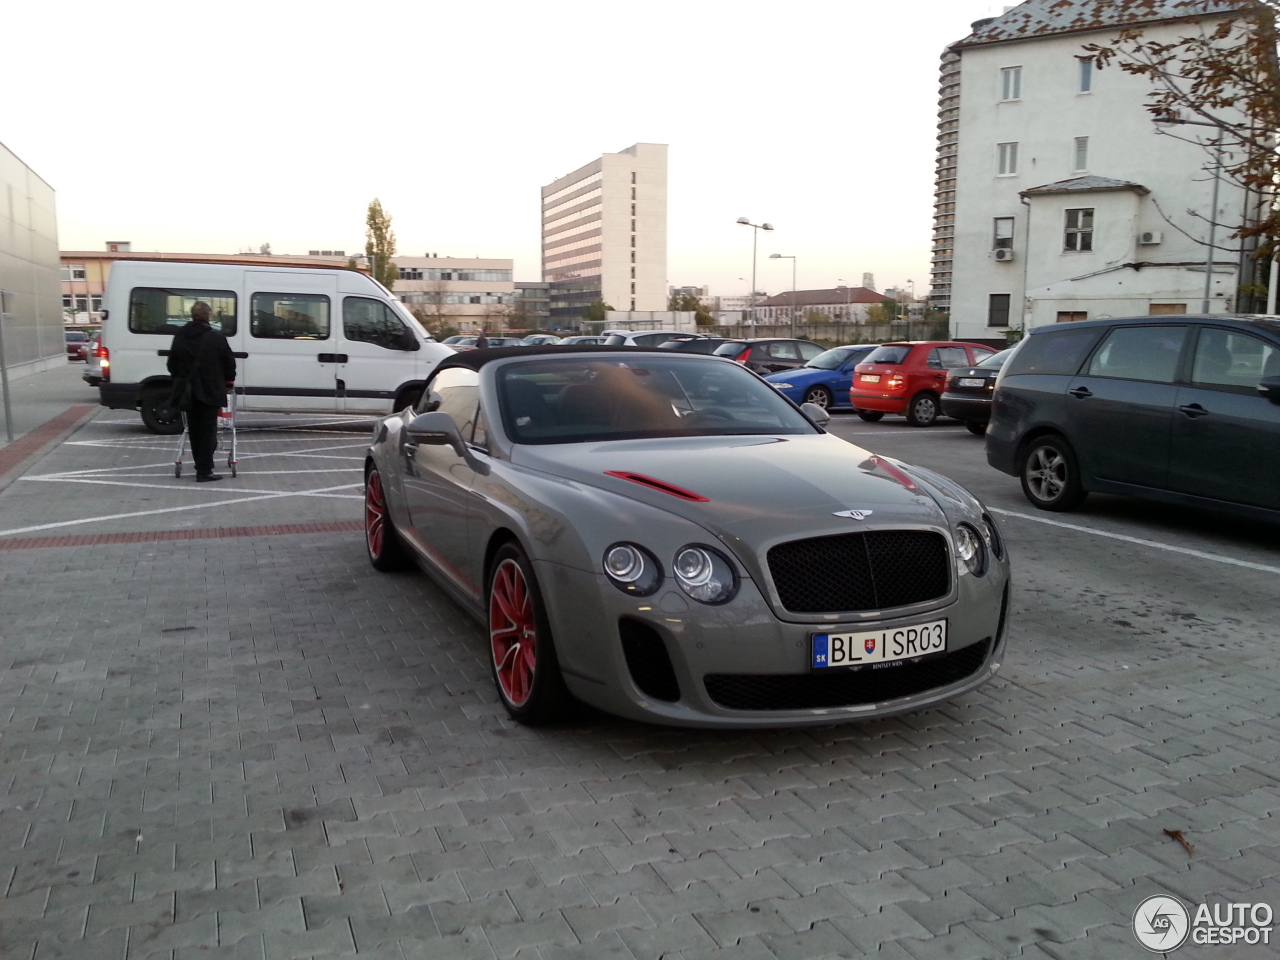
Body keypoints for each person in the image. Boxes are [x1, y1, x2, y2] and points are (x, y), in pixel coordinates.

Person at [167, 301, 237, 482]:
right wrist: (228, 382)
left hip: (187, 392)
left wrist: (180, 379)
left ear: (191, 316)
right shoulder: (216, 337)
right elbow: (229, 363)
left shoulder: (180, 336)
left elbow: (171, 364)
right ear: (209, 316)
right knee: (208, 431)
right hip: (209, 391)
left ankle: (200, 464)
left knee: (194, 430)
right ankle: (204, 470)